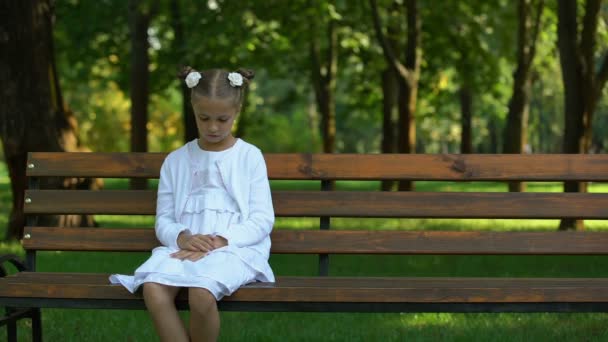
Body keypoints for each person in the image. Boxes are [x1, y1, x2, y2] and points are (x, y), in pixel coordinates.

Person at [110, 66, 275, 342]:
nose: (213, 127)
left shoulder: (249, 157)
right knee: (153, 288)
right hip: (184, 248)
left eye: (222, 119)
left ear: (237, 110)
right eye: (204, 118)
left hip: (235, 249)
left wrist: (222, 240)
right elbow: (163, 219)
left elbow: (261, 219)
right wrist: (182, 237)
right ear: (192, 109)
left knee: (201, 292)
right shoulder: (176, 161)